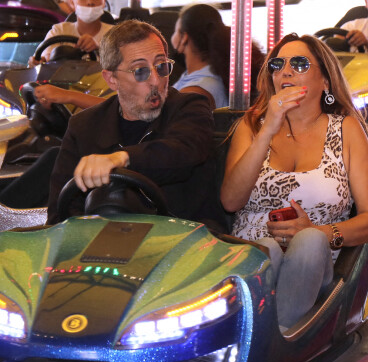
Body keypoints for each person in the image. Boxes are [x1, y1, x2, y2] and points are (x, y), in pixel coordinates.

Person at [220, 33, 368, 330]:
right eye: (277, 64)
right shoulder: (251, 126)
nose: (285, 71)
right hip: (253, 258)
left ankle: (279, 339)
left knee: (308, 241)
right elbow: (231, 201)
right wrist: (268, 128)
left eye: (299, 64)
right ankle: (269, 335)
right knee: (266, 250)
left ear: (325, 80)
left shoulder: (345, 129)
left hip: (316, 263)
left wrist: (319, 231)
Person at [2, 20, 225, 231]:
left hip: (184, 238)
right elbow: (61, 213)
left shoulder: (190, 107)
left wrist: (121, 158)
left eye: (161, 66)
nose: (156, 80)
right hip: (103, 248)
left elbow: (183, 151)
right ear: (111, 79)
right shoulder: (84, 125)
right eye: (140, 71)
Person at [33, 3, 265, 113]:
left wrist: (68, 96)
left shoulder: (200, 88)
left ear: (183, 39)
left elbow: (146, 111)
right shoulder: (194, 76)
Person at [28, 0, 114, 66]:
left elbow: (123, 63)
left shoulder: (116, 33)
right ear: (72, 2)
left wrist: (99, 48)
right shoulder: (59, 30)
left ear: (103, 2)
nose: (89, 2)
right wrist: (38, 62)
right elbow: (45, 57)